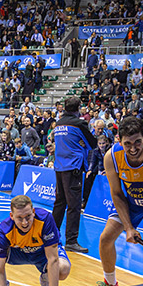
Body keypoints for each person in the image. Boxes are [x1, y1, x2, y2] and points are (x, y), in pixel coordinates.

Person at [85, 114, 143, 286]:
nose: (133, 148)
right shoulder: (111, 157)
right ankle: (110, 283)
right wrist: (128, 228)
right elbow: (117, 195)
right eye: (128, 143)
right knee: (106, 238)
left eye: (137, 142)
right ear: (119, 140)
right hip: (133, 192)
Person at [0, 194, 70, 286]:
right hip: (19, 253)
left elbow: (53, 259)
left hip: (42, 253)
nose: (25, 222)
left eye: (28, 216)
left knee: (63, 268)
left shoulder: (45, 219)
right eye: (20, 218)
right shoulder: (4, 230)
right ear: (12, 216)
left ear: (33, 212)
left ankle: (47, 280)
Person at [49, 97, 96, 252]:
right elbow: (93, 144)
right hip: (73, 168)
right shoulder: (79, 123)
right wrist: (81, 143)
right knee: (74, 205)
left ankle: (51, 236)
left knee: (59, 203)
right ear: (78, 109)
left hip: (59, 167)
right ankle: (71, 241)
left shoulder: (59, 123)